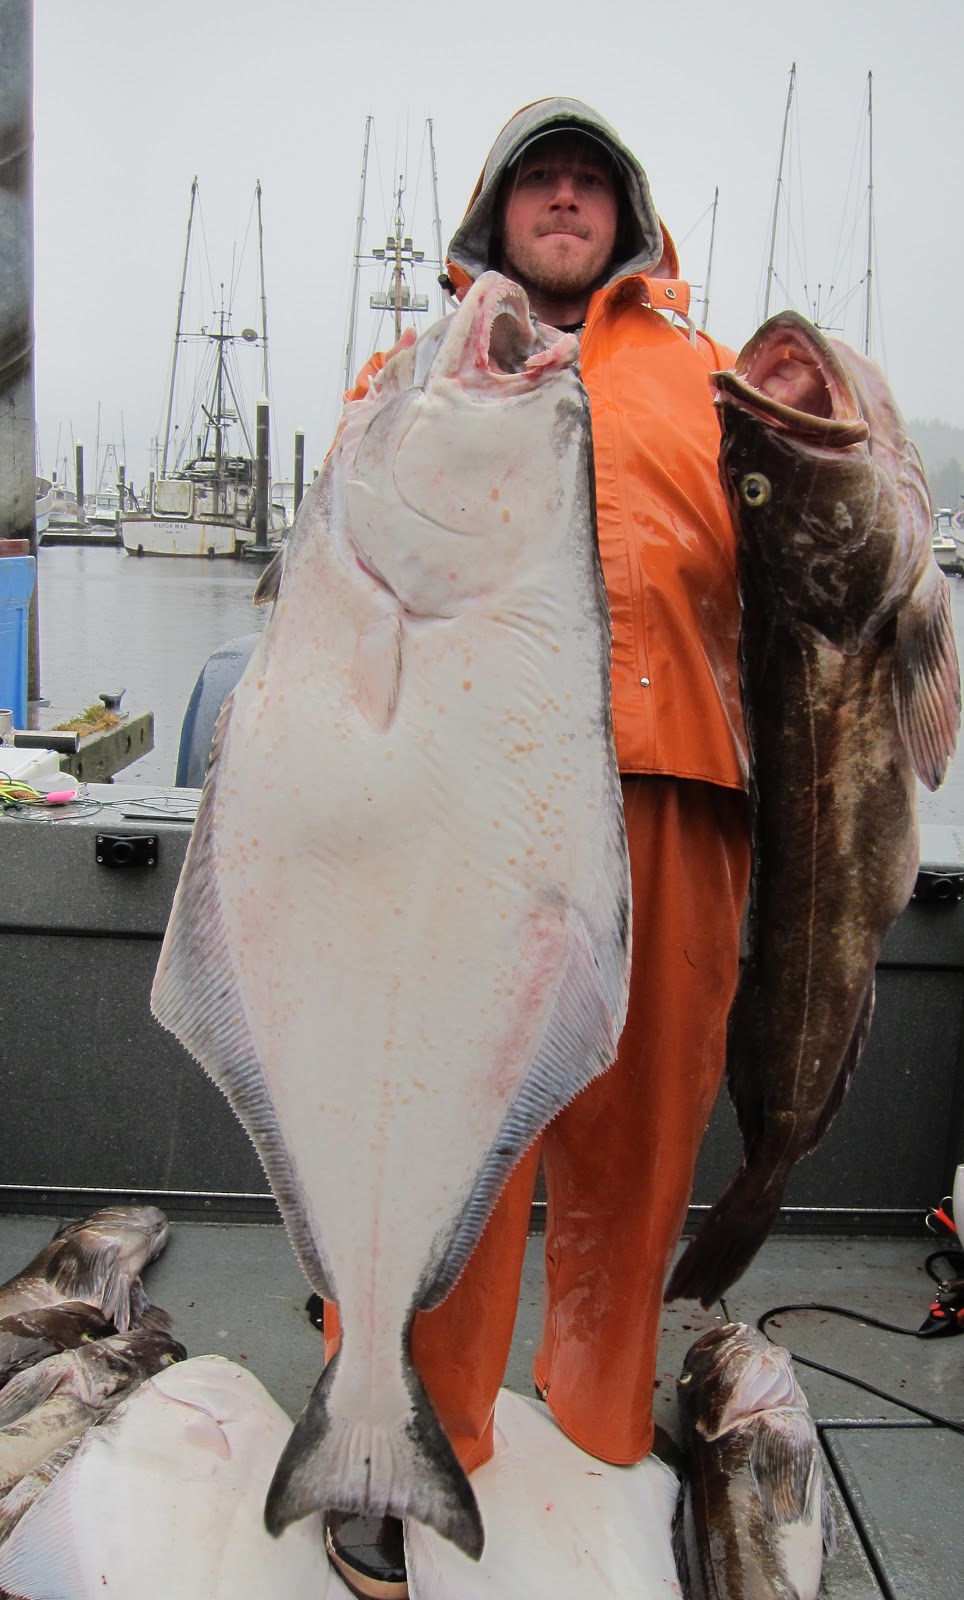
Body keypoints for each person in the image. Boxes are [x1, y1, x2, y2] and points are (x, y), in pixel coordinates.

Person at [324, 98, 751, 1598]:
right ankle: (394, 1433)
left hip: (675, 790)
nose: (563, 201)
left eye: (589, 183)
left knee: (639, 1135)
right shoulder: (419, 364)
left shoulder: (710, 377)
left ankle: (599, 1415)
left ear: (624, 215)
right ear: (495, 212)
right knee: (445, 1135)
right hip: (474, 799)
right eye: (537, 181)